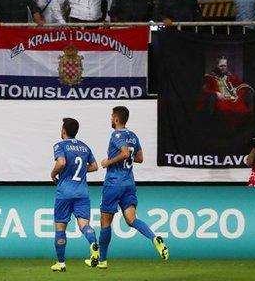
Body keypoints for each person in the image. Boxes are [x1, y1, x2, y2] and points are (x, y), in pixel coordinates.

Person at [97, 106, 169, 269]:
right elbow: (140, 158)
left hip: (114, 183)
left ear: (116, 119)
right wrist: (125, 158)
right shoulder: (133, 136)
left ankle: (102, 260)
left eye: (111, 117)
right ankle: (154, 238)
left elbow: (123, 153)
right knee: (132, 219)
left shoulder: (116, 134)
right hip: (129, 183)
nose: (110, 119)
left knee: (105, 223)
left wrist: (107, 162)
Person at [49, 118, 99, 272]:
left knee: (60, 228)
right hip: (82, 192)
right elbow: (95, 167)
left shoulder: (59, 145)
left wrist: (53, 174)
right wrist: (82, 171)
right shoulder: (85, 147)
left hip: (65, 192)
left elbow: (62, 162)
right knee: (84, 225)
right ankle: (93, 244)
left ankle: (61, 263)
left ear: (64, 130)